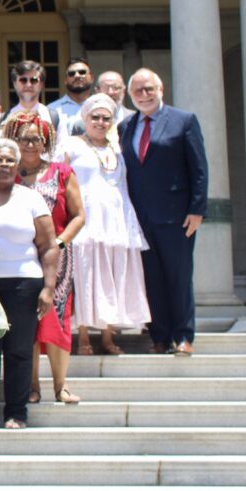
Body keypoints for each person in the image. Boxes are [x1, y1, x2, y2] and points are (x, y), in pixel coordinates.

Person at [0, 138, 59, 429]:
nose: (4, 165)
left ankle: (17, 413)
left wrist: (48, 287)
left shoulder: (31, 199)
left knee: (19, 350)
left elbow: (49, 245)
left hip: (24, 284)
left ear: (17, 165)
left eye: (9, 160)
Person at [119, 68, 207, 356]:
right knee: (151, 279)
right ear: (130, 95)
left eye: (149, 89)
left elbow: (199, 169)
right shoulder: (126, 126)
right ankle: (160, 336)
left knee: (178, 276)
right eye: (138, 91)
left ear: (161, 90)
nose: (144, 95)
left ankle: (183, 336)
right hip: (140, 218)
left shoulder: (184, 120)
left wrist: (197, 209)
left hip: (177, 217)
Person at [60, 94, 151, 356]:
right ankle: (85, 336)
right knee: (87, 276)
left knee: (113, 276)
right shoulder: (71, 145)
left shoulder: (118, 149)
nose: (100, 122)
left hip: (117, 220)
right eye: (95, 117)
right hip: (86, 220)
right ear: (85, 118)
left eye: (106, 118)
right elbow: (60, 181)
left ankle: (109, 337)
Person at [5, 111, 85, 404]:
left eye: (36, 139)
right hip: (20, 257)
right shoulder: (7, 174)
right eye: (23, 138)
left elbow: (78, 215)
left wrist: (60, 243)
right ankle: (32, 386)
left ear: (46, 141)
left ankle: (60, 385)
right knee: (26, 322)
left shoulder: (62, 172)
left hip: (58, 257)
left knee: (57, 318)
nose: (29, 144)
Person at [2, 61, 61, 134]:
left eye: (34, 80)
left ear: (41, 84)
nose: (28, 84)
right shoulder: (5, 118)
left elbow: (62, 145)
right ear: (14, 84)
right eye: (23, 80)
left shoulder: (54, 117)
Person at [48, 57, 93, 137]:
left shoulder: (103, 107)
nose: (77, 76)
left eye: (82, 72)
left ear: (92, 78)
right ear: (65, 80)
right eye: (71, 73)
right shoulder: (52, 110)